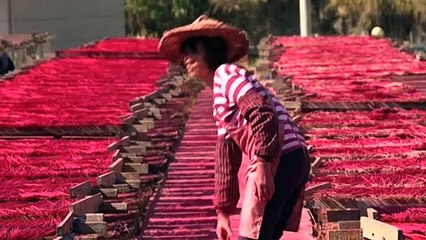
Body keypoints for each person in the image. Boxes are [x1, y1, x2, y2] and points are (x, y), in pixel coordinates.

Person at [159, 15, 310, 240]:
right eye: (185, 54)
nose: (186, 60)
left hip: (281, 158)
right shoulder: (219, 95)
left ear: (210, 53)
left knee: (251, 236)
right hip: (291, 159)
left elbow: (261, 111)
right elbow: (226, 157)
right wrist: (223, 213)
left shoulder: (226, 74)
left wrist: (263, 166)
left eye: (193, 52)